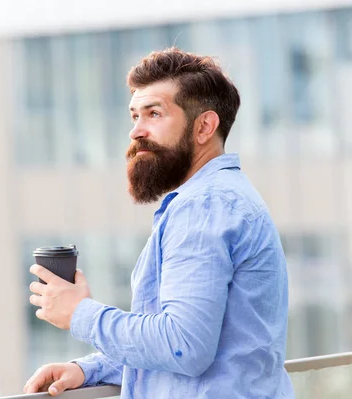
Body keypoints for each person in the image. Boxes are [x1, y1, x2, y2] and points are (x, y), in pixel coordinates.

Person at [25, 48, 294, 398]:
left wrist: (81, 313)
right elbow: (211, 348)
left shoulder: (204, 206)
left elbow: (184, 345)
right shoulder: (221, 198)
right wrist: (89, 369)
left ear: (204, 127)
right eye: (135, 115)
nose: (136, 131)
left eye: (154, 113)